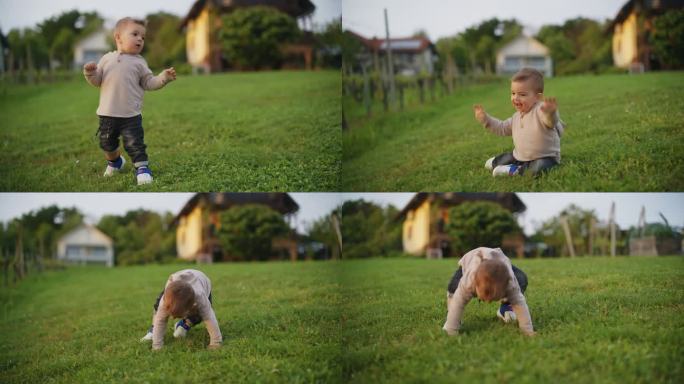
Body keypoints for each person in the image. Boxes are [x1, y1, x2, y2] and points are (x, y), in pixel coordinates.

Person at [83, 17, 176, 185]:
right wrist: (90, 73)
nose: (140, 38)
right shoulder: (106, 59)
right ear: (118, 37)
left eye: (143, 36)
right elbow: (97, 81)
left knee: (135, 144)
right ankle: (116, 162)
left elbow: (149, 83)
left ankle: (142, 169)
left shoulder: (139, 63)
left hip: (131, 115)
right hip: (107, 114)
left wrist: (163, 78)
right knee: (107, 144)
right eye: (135, 34)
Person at [473, 67, 566, 177]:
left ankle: (515, 170)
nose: (515, 98)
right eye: (513, 93)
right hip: (521, 157)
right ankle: (496, 162)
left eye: (522, 94)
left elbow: (551, 122)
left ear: (538, 96)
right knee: (509, 156)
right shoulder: (516, 117)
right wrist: (486, 119)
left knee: (537, 168)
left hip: (545, 157)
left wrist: (550, 113)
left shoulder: (541, 110)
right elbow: (501, 127)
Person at [442, 247, 535, 336]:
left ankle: (506, 308)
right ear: (476, 284)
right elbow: (458, 302)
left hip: (499, 259)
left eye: (494, 298)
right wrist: (451, 329)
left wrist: (527, 330)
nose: (488, 302)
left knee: (521, 279)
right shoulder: (469, 280)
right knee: (454, 289)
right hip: (471, 259)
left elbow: (520, 303)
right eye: (485, 297)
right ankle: (453, 318)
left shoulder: (510, 283)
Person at [140, 269, 222, 350]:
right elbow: (160, 320)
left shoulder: (200, 297)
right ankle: (152, 330)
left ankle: (184, 324)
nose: (173, 318)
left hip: (201, 281)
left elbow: (209, 318)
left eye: (177, 316)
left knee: (199, 314)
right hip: (174, 285)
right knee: (159, 310)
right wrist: (157, 345)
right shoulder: (166, 300)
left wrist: (215, 342)